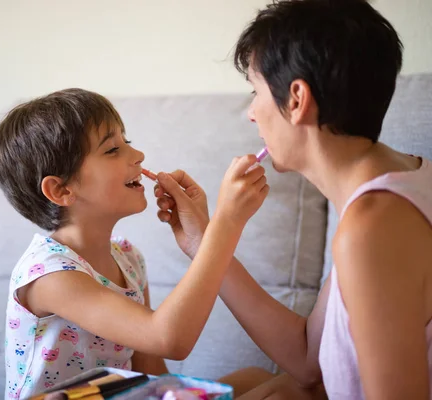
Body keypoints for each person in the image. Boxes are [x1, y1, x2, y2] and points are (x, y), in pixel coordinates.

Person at [152, 0, 432, 399]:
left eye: (256, 91)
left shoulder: (373, 228)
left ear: (297, 99)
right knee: (252, 380)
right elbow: (307, 358)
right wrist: (205, 242)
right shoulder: (406, 183)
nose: (251, 113)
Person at [0, 88, 268, 398]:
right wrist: (224, 225)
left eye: (128, 143)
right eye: (112, 150)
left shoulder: (128, 258)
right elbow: (170, 339)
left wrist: (204, 235)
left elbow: (152, 373)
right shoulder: (50, 275)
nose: (138, 156)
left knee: (259, 379)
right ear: (61, 190)